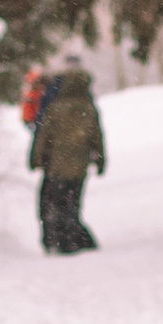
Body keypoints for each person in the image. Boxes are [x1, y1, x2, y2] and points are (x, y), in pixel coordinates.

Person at [32, 63, 106, 251]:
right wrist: (100, 160)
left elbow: (43, 136)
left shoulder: (56, 107)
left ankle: (59, 241)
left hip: (56, 167)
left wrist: (37, 158)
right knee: (72, 205)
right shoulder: (89, 108)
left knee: (52, 203)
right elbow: (97, 137)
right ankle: (75, 240)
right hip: (79, 167)